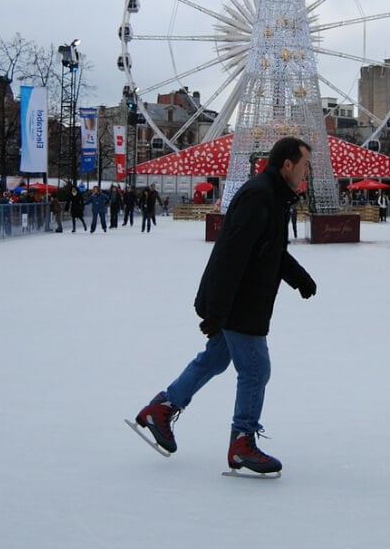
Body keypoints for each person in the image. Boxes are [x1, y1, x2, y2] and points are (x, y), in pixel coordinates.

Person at [133, 137, 317, 475]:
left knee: (216, 359)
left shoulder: (273, 196)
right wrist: (216, 311)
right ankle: (241, 443)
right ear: (287, 164)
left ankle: (161, 409)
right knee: (256, 369)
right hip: (239, 302)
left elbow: (269, 249)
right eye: (305, 164)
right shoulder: (260, 195)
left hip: (242, 299)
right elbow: (231, 255)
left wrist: (299, 277)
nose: (308, 171)